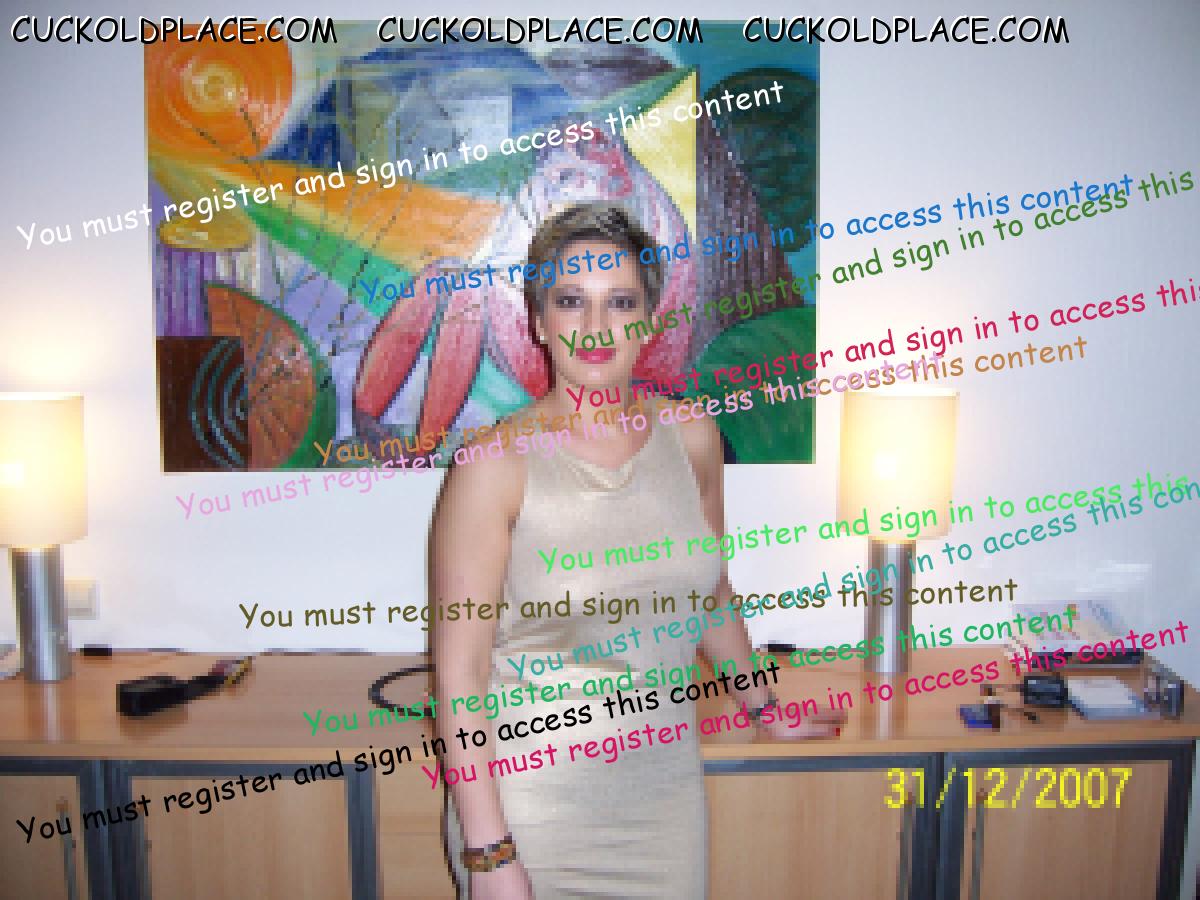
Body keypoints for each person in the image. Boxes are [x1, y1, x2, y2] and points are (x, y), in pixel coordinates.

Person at [430, 202, 842, 899]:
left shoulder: (693, 438)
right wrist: (489, 854)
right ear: (539, 320)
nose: (596, 326)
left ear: (649, 319)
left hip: (663, 802)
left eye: (620, 301)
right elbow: (460, 676)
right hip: (531, 812)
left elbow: (710, 594)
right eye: (571, 301)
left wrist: (764, 706)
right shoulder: (493, 465)